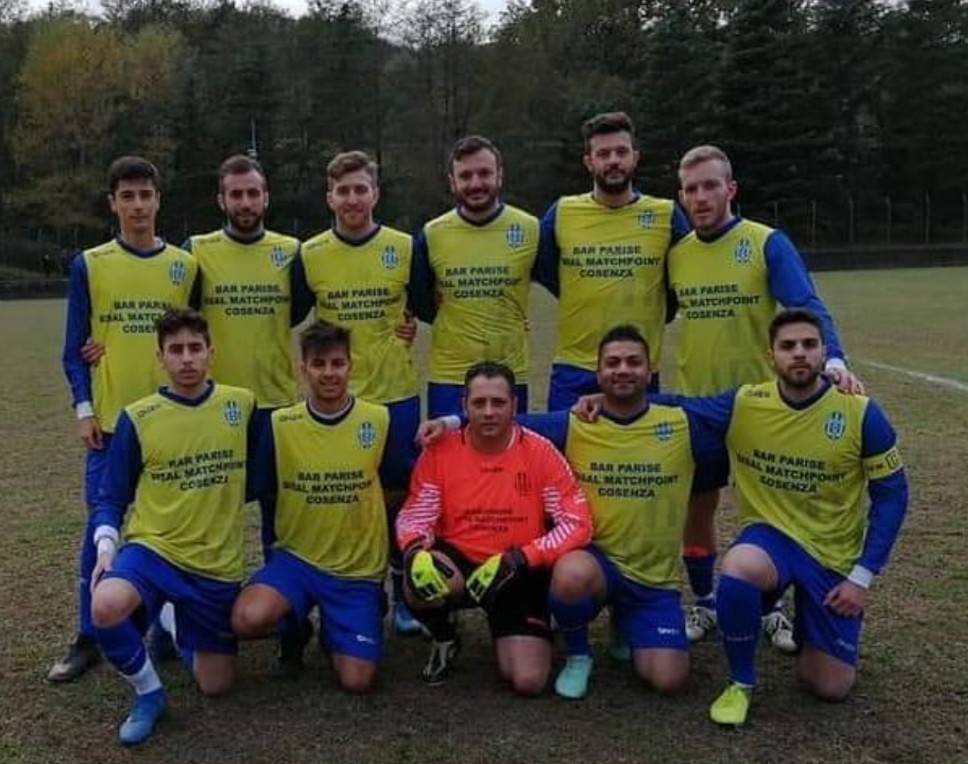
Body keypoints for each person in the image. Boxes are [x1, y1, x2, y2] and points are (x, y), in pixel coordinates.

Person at [645, 309, 907, 725]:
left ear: (824, 352)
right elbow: (679, 406)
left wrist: (860, 579)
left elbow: (893, 495)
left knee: (829, 686)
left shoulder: (860, 412)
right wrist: (606, 402)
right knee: (739, 568)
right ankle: (740, 682)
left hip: (831, 556)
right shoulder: (745, 403)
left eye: (809, 344)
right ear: (771, 356)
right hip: (771, 541)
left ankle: (810, 619)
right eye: (788, 346)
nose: (799, 353)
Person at [668, 145, 864, 649]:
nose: (701, 196)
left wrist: (834, 360)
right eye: (691, 189)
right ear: (682, 197)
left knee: (772, 513)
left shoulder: (765, 242)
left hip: (762, 409)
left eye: (711, 185)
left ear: (731, 189)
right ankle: (705, 601)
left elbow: (805, 304)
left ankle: (771, 608)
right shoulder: (678, 254)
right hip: (701, 405)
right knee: (698, 507)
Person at [52, 157, 197, 683]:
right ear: (112, 203)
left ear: (159, 199)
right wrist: (84, 409)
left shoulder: (185, 265)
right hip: (111, 426)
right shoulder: (89, 264)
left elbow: (196, 339)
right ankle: (88, 636)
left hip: (169, 422)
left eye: (146, 195)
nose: (138, 206)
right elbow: (73, 349)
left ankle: (167, 633)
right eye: (127, 196)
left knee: (173, 527)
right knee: (101, 528)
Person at [89, 309, 257, 745]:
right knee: (105, 605)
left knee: (216, 685)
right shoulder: (138, 417)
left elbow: (265, 472)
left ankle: (167, 618)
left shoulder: (242, 405)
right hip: (154, 550)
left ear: (211, 354)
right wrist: (106, 547)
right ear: (160, 358)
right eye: (176, 350)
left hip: (215, 564)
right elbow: (110, 497)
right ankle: (150, 694)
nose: (186, 359)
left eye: (195, 348)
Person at [396, 361, 592, 693]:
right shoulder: (440, 450)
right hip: (459, 562)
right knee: (418, 579)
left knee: (528, 681)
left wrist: (522, 558)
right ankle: (444, 637)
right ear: (464, 406)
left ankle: (520, 625)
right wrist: (414, 550)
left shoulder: (540, 452)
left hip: (516, 568)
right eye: (479, 403)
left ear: (514, 405)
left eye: (498, 402)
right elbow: (416, 514)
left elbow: (577, 523)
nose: (488, 412)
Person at [298, 151, 422, 636]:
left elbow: (432, 303)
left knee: (398, 498)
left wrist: (409, 326)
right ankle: (355, 591)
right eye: (343, 191)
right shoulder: (310, 254)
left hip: (395, 395)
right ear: (330, 198)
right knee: (346, 498)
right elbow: (287, 314)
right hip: (337, 402)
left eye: (360, 189)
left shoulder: (404, 247)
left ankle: (405, 595)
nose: (352, 199)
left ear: (376, 194)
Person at [232, 321, 393, 693]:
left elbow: (397, 485)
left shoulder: (377, 419)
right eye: (319, 364)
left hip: (356, 569)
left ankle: (341, 625)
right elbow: (262, 488)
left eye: (337, 363)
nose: (329, 373)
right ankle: (295, 623)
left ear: (351, 365)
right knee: (246, 619)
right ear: (303, 368)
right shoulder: (280, 424)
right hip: (297, 561)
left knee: (357, 681)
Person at [534, 111, 691, 410]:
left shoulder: (666, 214)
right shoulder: (562, 212)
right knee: (567, 442)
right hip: (574, 368)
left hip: (637, 368)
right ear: (588, 162)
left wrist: (663, 309)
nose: (613, 161)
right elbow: (543, 269)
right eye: (603, 154)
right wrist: (579, 290)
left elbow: (683, 278)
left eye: (621, 152)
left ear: (635, 157)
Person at [410, 135, 539, 418]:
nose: (476, 183)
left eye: (484, 173)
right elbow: (418, 299)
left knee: (508, 447)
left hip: (509, 375)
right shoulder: (433, 234)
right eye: (465, 176)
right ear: (452, 182)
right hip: (450, 377)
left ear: (500, 175)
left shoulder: (530, 229)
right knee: (449, 447)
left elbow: (557, 279)